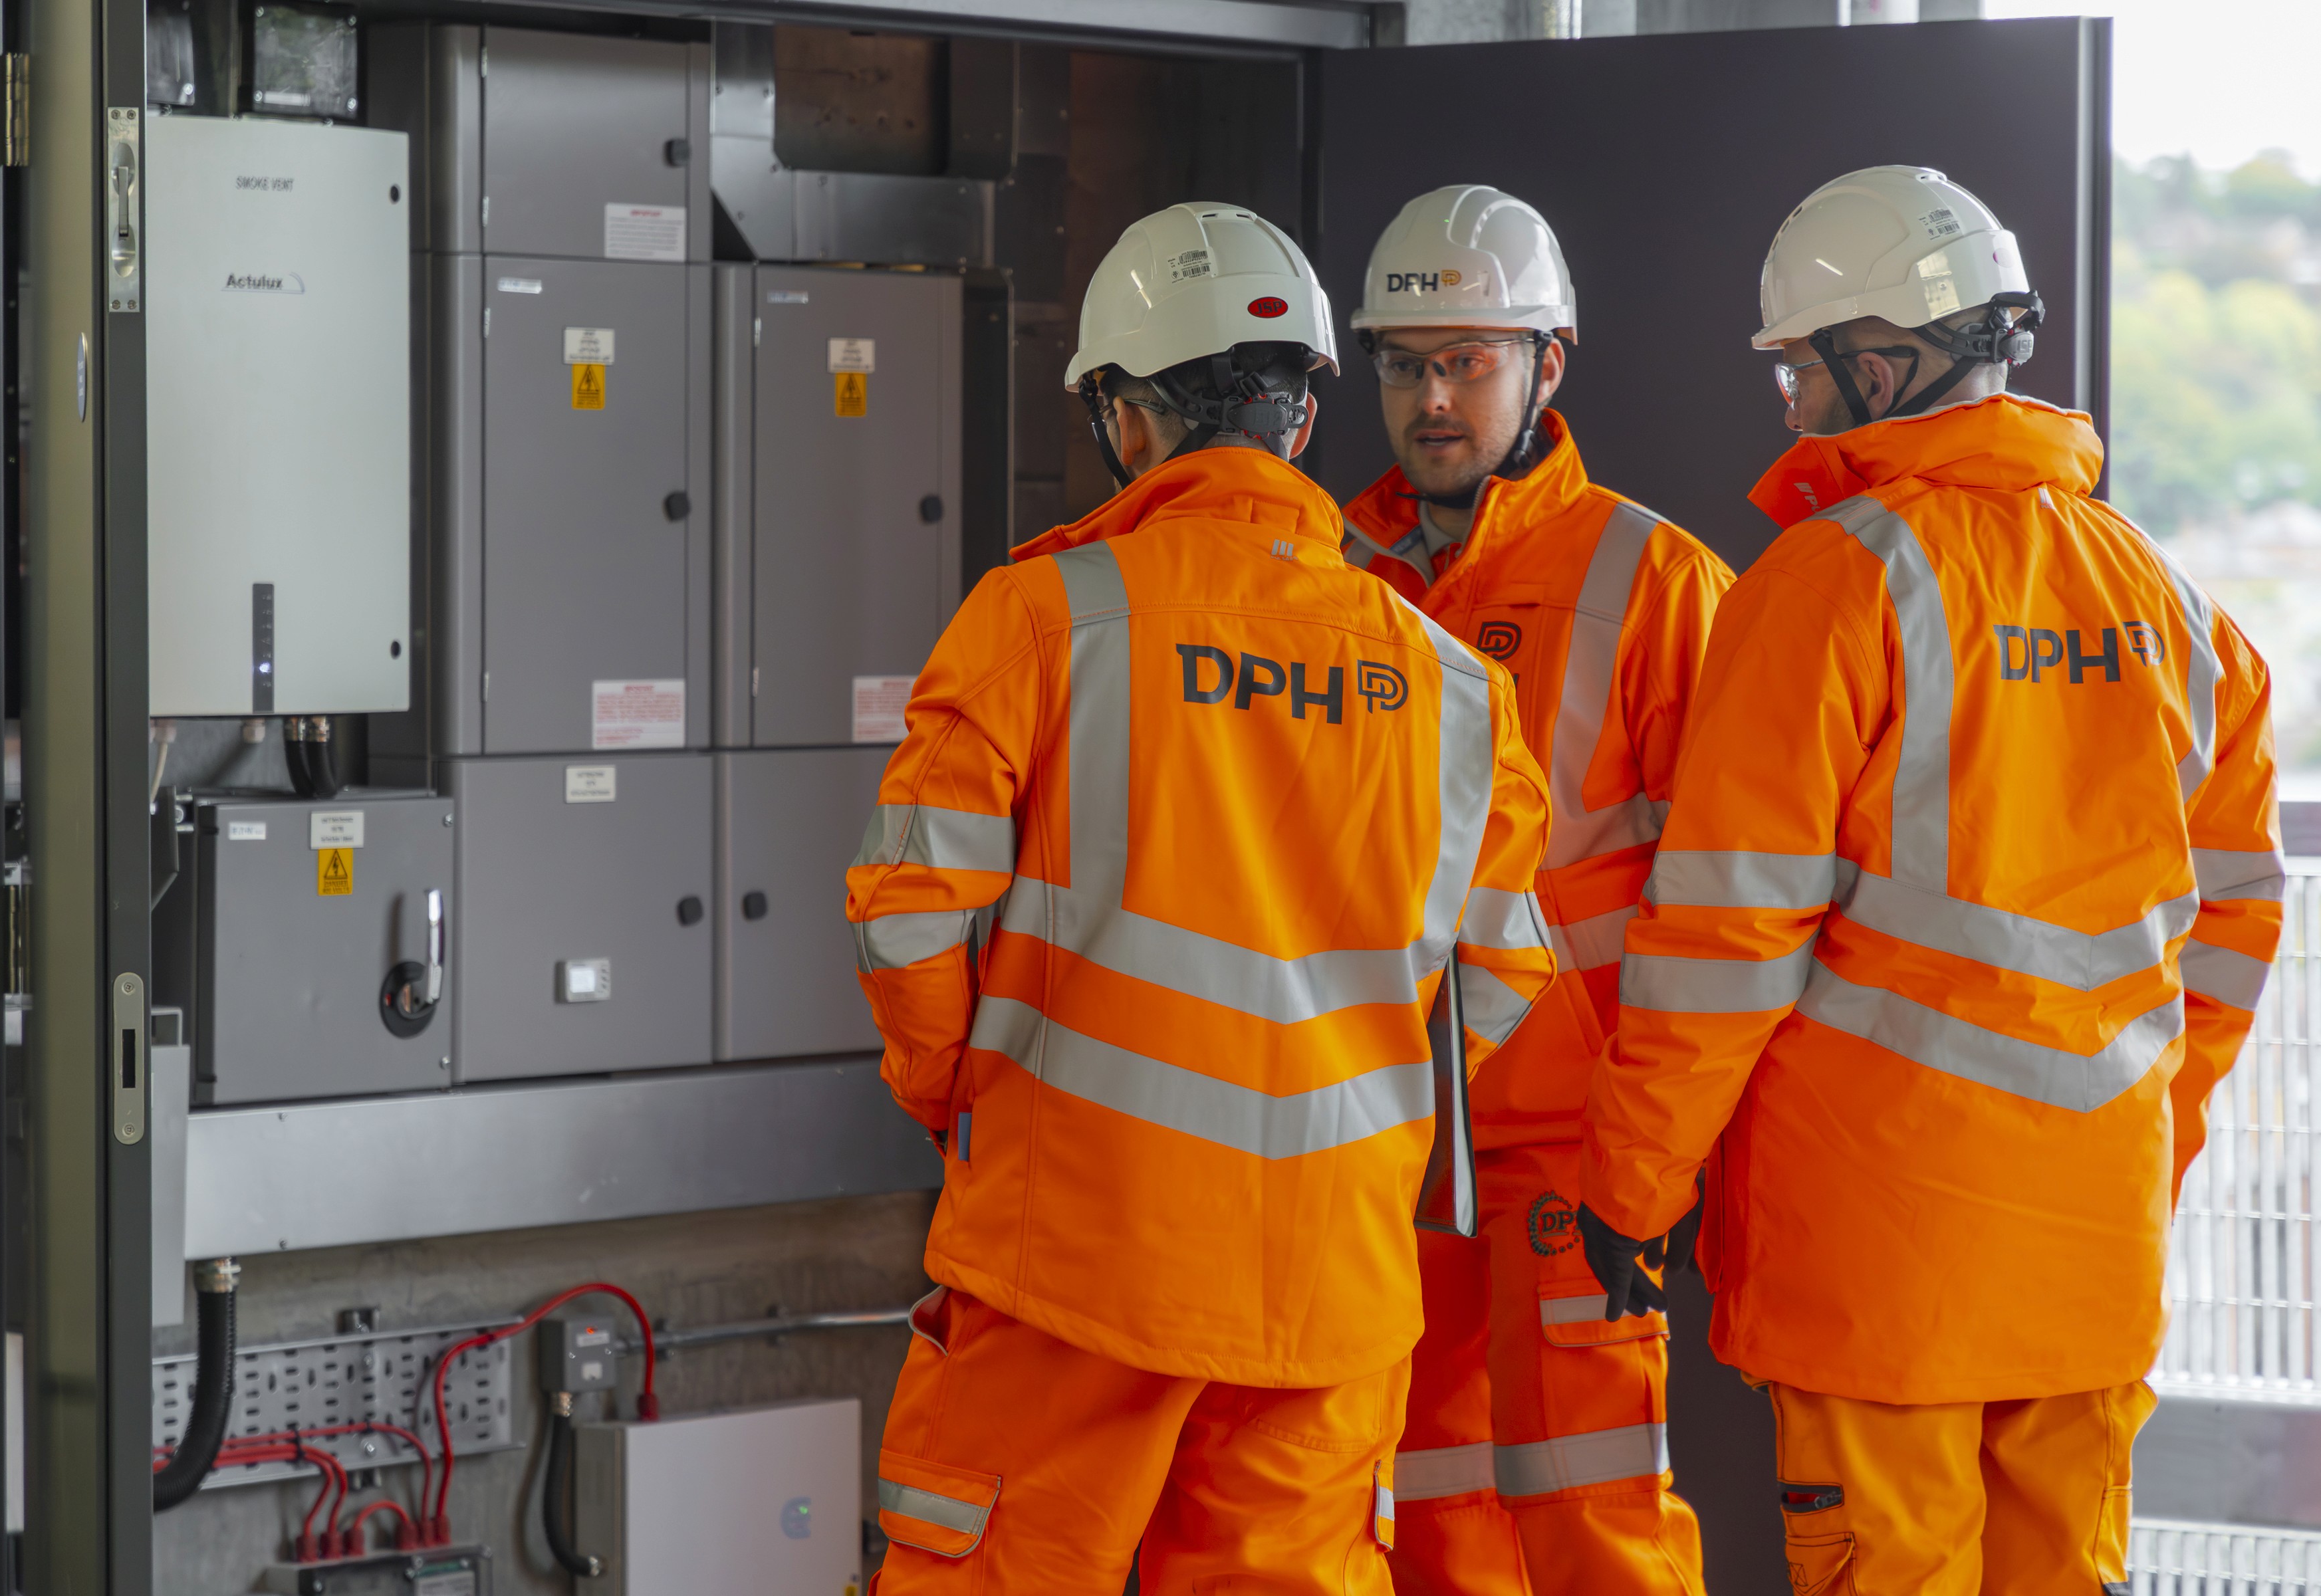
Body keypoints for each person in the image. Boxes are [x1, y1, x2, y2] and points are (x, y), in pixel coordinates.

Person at [1578, 164, 2284, 1595]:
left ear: (1884, 361)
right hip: (2092, 1255)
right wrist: (2140, 1146)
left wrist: (1634, 1185)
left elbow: (1725, 936)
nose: (1791, 405)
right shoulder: (2169, 603)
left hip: (1880, 1270)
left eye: (1802, 371)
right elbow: (2236, 926)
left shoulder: (1830, 582)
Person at [846, 201, 1560, 1595]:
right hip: (1325, 1286)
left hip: (1073, 1256)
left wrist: (960, 1094)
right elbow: (1501, 972)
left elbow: (910, 909)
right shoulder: (1455, 687)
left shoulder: (1048, 615)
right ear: (1300, 420)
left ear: (1127, 418)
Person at [1340, 184, 1727, 1596]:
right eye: (1402, 363)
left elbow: (1741, 904)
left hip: (1572, 1149)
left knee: (1594, 1517)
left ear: (1546, 365)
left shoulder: (1656, 581)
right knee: (1420, 1513)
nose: (1432, 397)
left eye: (1469, 360)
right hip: (1382, 1144)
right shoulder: (1334, 580)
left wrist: (1672, 1150)